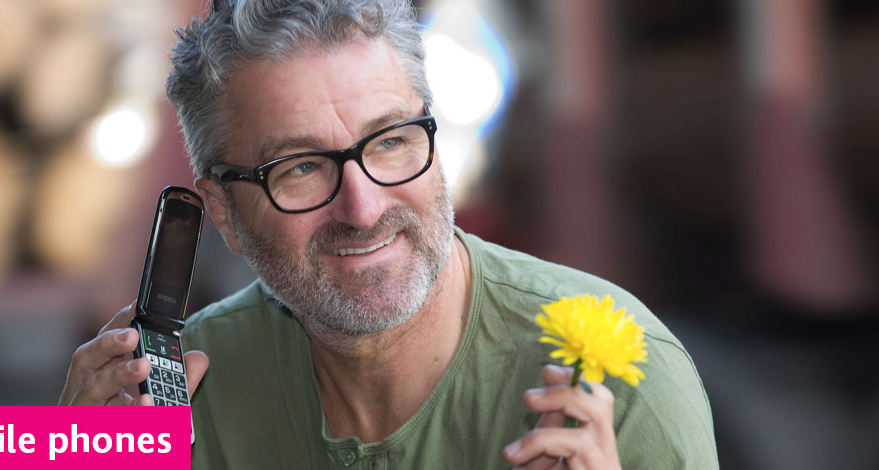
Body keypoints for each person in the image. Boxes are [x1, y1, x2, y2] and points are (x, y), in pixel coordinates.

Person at [59, 1, 719, 468]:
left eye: (391, 141)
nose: (364, 207)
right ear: (224, 212)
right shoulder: (171, 406)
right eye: (300, 168)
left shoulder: (621, 385)